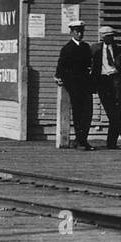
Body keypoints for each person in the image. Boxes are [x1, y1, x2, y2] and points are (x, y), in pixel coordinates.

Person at [91, 25, 121, 150]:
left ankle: (112, 143)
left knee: (116, 112)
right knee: (111, 112)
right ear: (102, 37)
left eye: (111, 36)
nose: (109, 38)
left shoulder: (119, 49)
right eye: (106, 36)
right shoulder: (95, 49)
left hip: (116, 80)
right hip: (102, 81)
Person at [54, 21, 95, 151]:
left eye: (81, 31)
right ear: (72, 32)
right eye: (77, 32)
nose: (80, 34)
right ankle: (80, 140)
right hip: (74, 85)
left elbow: (90, 65)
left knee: (87, 112)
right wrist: (59, 77)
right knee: (78, 113)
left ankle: (83, 139)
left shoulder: (86, 47)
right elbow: (61, 66)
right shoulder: (67, 48)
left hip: (86, 84)